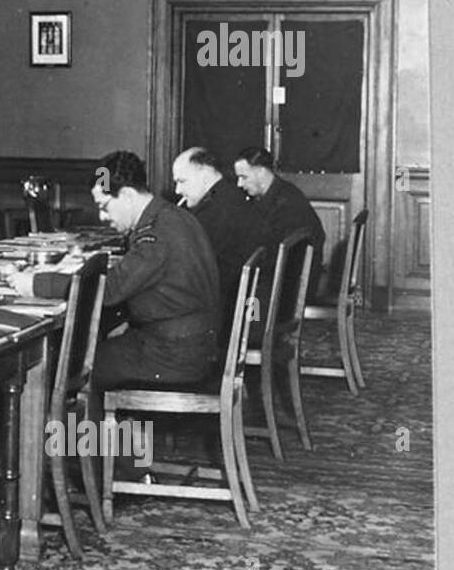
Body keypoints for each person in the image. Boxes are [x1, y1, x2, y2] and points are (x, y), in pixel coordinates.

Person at [89, 150, 221, 392]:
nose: (102, 216)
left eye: (105, 206)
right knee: (103, 349)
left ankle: (96, 429)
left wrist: (34, 283)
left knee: (83, 366)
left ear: (127, 194)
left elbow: (108, 291)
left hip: (175, 355)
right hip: (193, 345)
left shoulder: (156, 233)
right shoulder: (172, 215)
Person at [172, 146, 271, 331]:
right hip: (244, 302)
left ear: (205, 174)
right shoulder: (228, 197)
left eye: (182, 181)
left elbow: (188, 267)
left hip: (234, 315)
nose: (178, 190)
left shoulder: (216, 211)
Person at [233, 146, 326, 298]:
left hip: (291, 290)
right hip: (287, 280)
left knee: (239, 291)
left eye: (244, 177)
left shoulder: (287, 204)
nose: (239, 184)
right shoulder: (279, 193)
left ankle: (252, 321)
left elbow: (272, 255)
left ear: (261, 172)